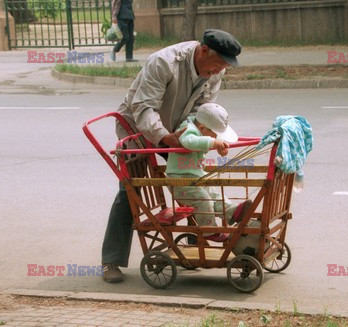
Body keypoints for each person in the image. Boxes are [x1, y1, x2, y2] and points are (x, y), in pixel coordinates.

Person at [102, 29, 243, 283]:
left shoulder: (216, 70)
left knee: (192, 177)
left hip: (179, 127)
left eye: (223, 67)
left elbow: (203, 110)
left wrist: (195, 137)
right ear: (202, 51)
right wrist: (166, 138)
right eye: (217, 65)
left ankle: (194, 244)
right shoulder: (164, 62)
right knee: (132, 190)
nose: (218, 71)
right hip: (136, 125)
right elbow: (144, 107)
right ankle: (111, 261)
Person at [165, 103, 252, 239]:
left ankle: (232, 212)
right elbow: (189, 141)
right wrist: (213, 143)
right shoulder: (187, 129)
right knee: (204, 200)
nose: (216, 137)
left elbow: (210, 138)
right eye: (215, 134)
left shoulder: (202, 128)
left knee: (214, 193)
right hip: (179, 181)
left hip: (195, 177)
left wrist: (219, 145)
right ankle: (209, 230)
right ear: (202, 128)